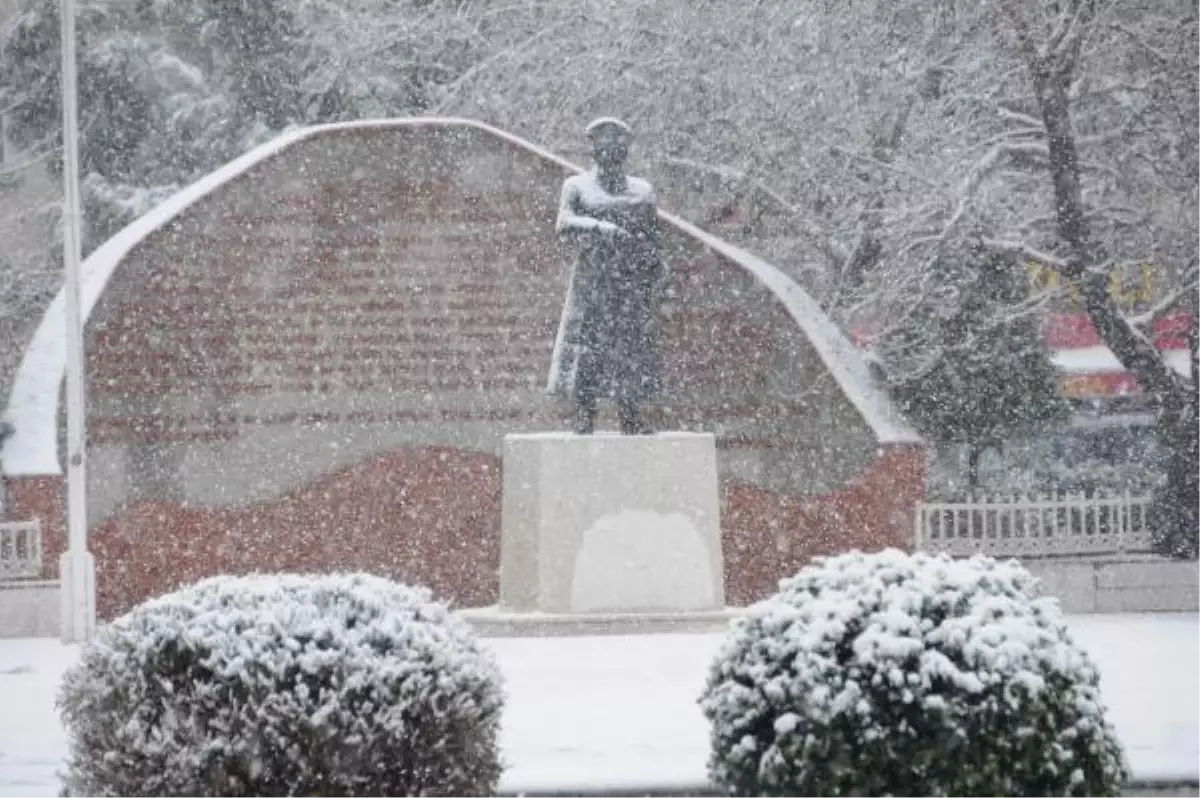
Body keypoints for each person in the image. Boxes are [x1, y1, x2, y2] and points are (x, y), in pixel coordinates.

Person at [547, 117, 666, 435]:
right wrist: (601, 228)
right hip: (593, 280)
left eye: (617, 146)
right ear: (594, 150)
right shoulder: (576, 186)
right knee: (588, 348)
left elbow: (655, 237)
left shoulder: (642, 190)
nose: (611, 151)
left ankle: (631, 414)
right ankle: (584, 413)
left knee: (630, 347)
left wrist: (657, 275)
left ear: (625, 150)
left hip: (630, 281)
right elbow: (564, 225)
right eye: (604, 145)